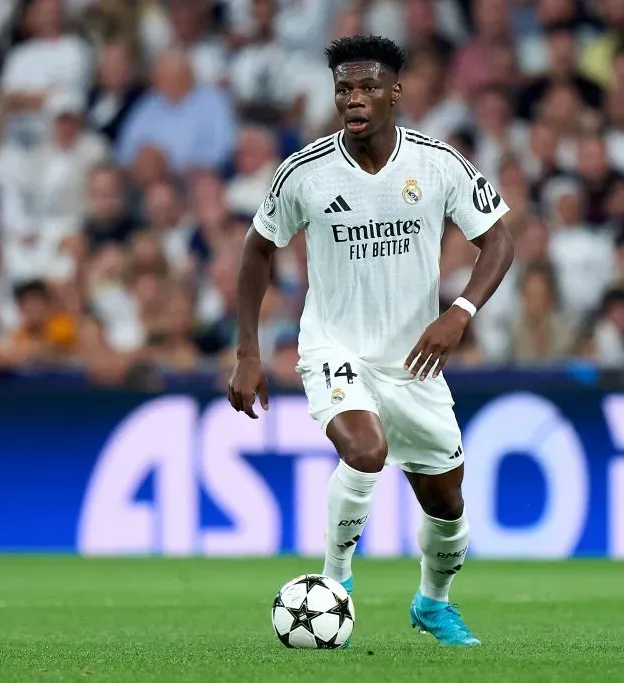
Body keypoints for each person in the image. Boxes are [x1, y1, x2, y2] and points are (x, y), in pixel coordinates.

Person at [227, 35, 514, 647]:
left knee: (448, 505)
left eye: (366, 88)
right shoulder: (303, 173)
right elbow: (256, 251)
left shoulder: (438, 163)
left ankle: (432, 604)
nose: (353, 99)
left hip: (414, 361)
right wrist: (249, 352)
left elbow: (500, 241)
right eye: (343, 89)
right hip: (334, 346)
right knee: (364, 450)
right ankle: (336, 584)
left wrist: (460, 311)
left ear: (395, 93)